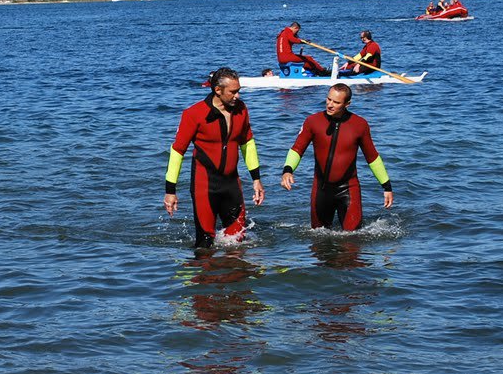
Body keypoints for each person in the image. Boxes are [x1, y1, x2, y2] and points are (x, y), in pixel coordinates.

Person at [164, 66, 265, 250]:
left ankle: (235, 276)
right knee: (205, 245)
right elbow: (178, 151)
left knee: (237, 242)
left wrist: (256, 179)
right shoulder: (194, 114)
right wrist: (170, 191)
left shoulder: (241, 110)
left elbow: (247, 144)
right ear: (217, 90)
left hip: (232, 184)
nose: (238, 96)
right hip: (205, 186)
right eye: (233, 92)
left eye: (239, 91)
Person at [280, 83, 393, 231]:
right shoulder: (313, 121)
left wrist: (386, 186)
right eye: (329, 99)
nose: (330, 105)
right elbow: (297, 149)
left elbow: (372, 157)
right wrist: (287, 170)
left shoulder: (359, 125)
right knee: (319, 241)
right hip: (321, 190)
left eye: (336, 102)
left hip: (348, 189)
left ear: (347, 104)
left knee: (352, 242)